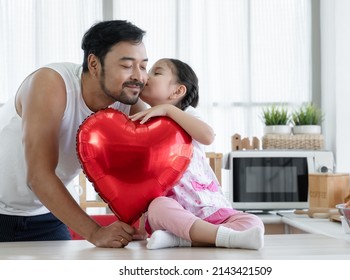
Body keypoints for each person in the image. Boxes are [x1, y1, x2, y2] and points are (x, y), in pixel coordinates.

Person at [0, 20, 149, 247]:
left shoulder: (128, 100)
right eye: (127, 66)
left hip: (45, 213)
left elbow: (148, 167)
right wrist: (96, 232)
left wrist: (140, 220)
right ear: (94, 63)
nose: (138, 76)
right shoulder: (51, 83)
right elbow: (38, 176)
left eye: (144, 66)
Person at [130, 58, 265, 250]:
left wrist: (168, 110)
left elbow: (208, 136)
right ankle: (216, 238)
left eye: (156, 72)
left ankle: (180, 240)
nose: (146, 76)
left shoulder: (186, 113)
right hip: (175, 212)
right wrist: (141, 226)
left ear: (177, 91)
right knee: (158, 206)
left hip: (207, 206)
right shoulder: (144, 125)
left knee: (254, 222)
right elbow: (146, 183)